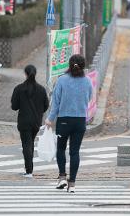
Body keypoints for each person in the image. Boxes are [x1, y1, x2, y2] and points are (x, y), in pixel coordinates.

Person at [45, 55, 93, 193]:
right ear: (83, 66)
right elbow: (89, 98)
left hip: (64, 120)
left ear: (70, 64)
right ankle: (72, 184)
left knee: (60, 149)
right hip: (80, 120)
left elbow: (56, 102)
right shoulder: (88, 81)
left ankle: (62, 178)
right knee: (74, 152)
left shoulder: (62, 80)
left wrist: (50, 118)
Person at [11, 65, 49, 178]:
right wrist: (38, 112)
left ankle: (29, 171)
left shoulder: (19, 88)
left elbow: (14, 106)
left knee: (27, 144)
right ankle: (29, 169)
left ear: (25, 74)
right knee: (30, 143)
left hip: (23, 121)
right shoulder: (41, 89)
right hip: (36, 121)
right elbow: (46, 106)